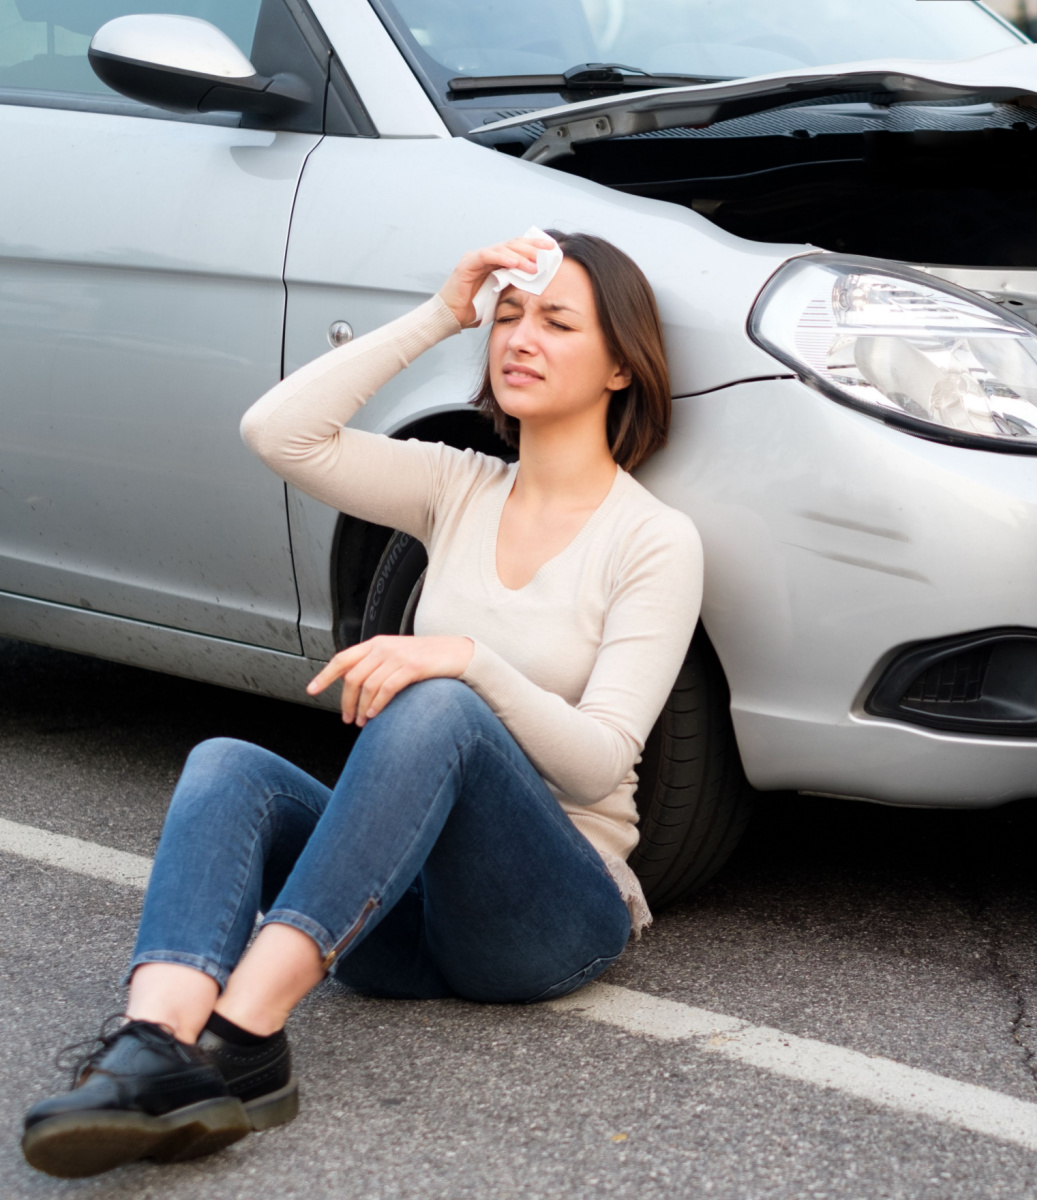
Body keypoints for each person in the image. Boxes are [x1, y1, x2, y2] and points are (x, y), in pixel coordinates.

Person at [21, 231, 704, 1179]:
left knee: (441, 702)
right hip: (396, 915)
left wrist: (468, 661)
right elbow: (279, 432)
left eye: (557, 322)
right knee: (227, 765)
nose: (519, 337)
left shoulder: (655, 540)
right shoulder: (458, 486)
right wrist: (442, 313)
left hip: (545, 917)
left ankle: (244, 1036)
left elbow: (599, 762)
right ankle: (155, 1046)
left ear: (622, 365)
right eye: (509, 316)